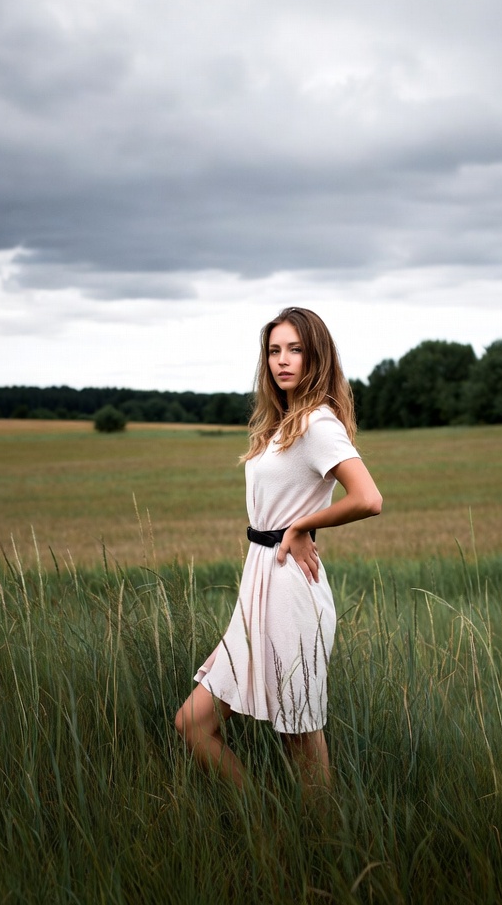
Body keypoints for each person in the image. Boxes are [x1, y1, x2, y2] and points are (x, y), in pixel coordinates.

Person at [175, 306, 382, 791]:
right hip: (260, 581)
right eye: (274, 350)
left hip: (291, 588)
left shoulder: (316, 423)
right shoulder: (283, 424)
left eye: (295, 349)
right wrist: (296, 525)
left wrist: (302, 525)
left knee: (300, 734)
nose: (282, 360)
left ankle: (320, 849)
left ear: (317, 356)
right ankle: (264, 824)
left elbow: (368, 498)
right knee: (192, 724)